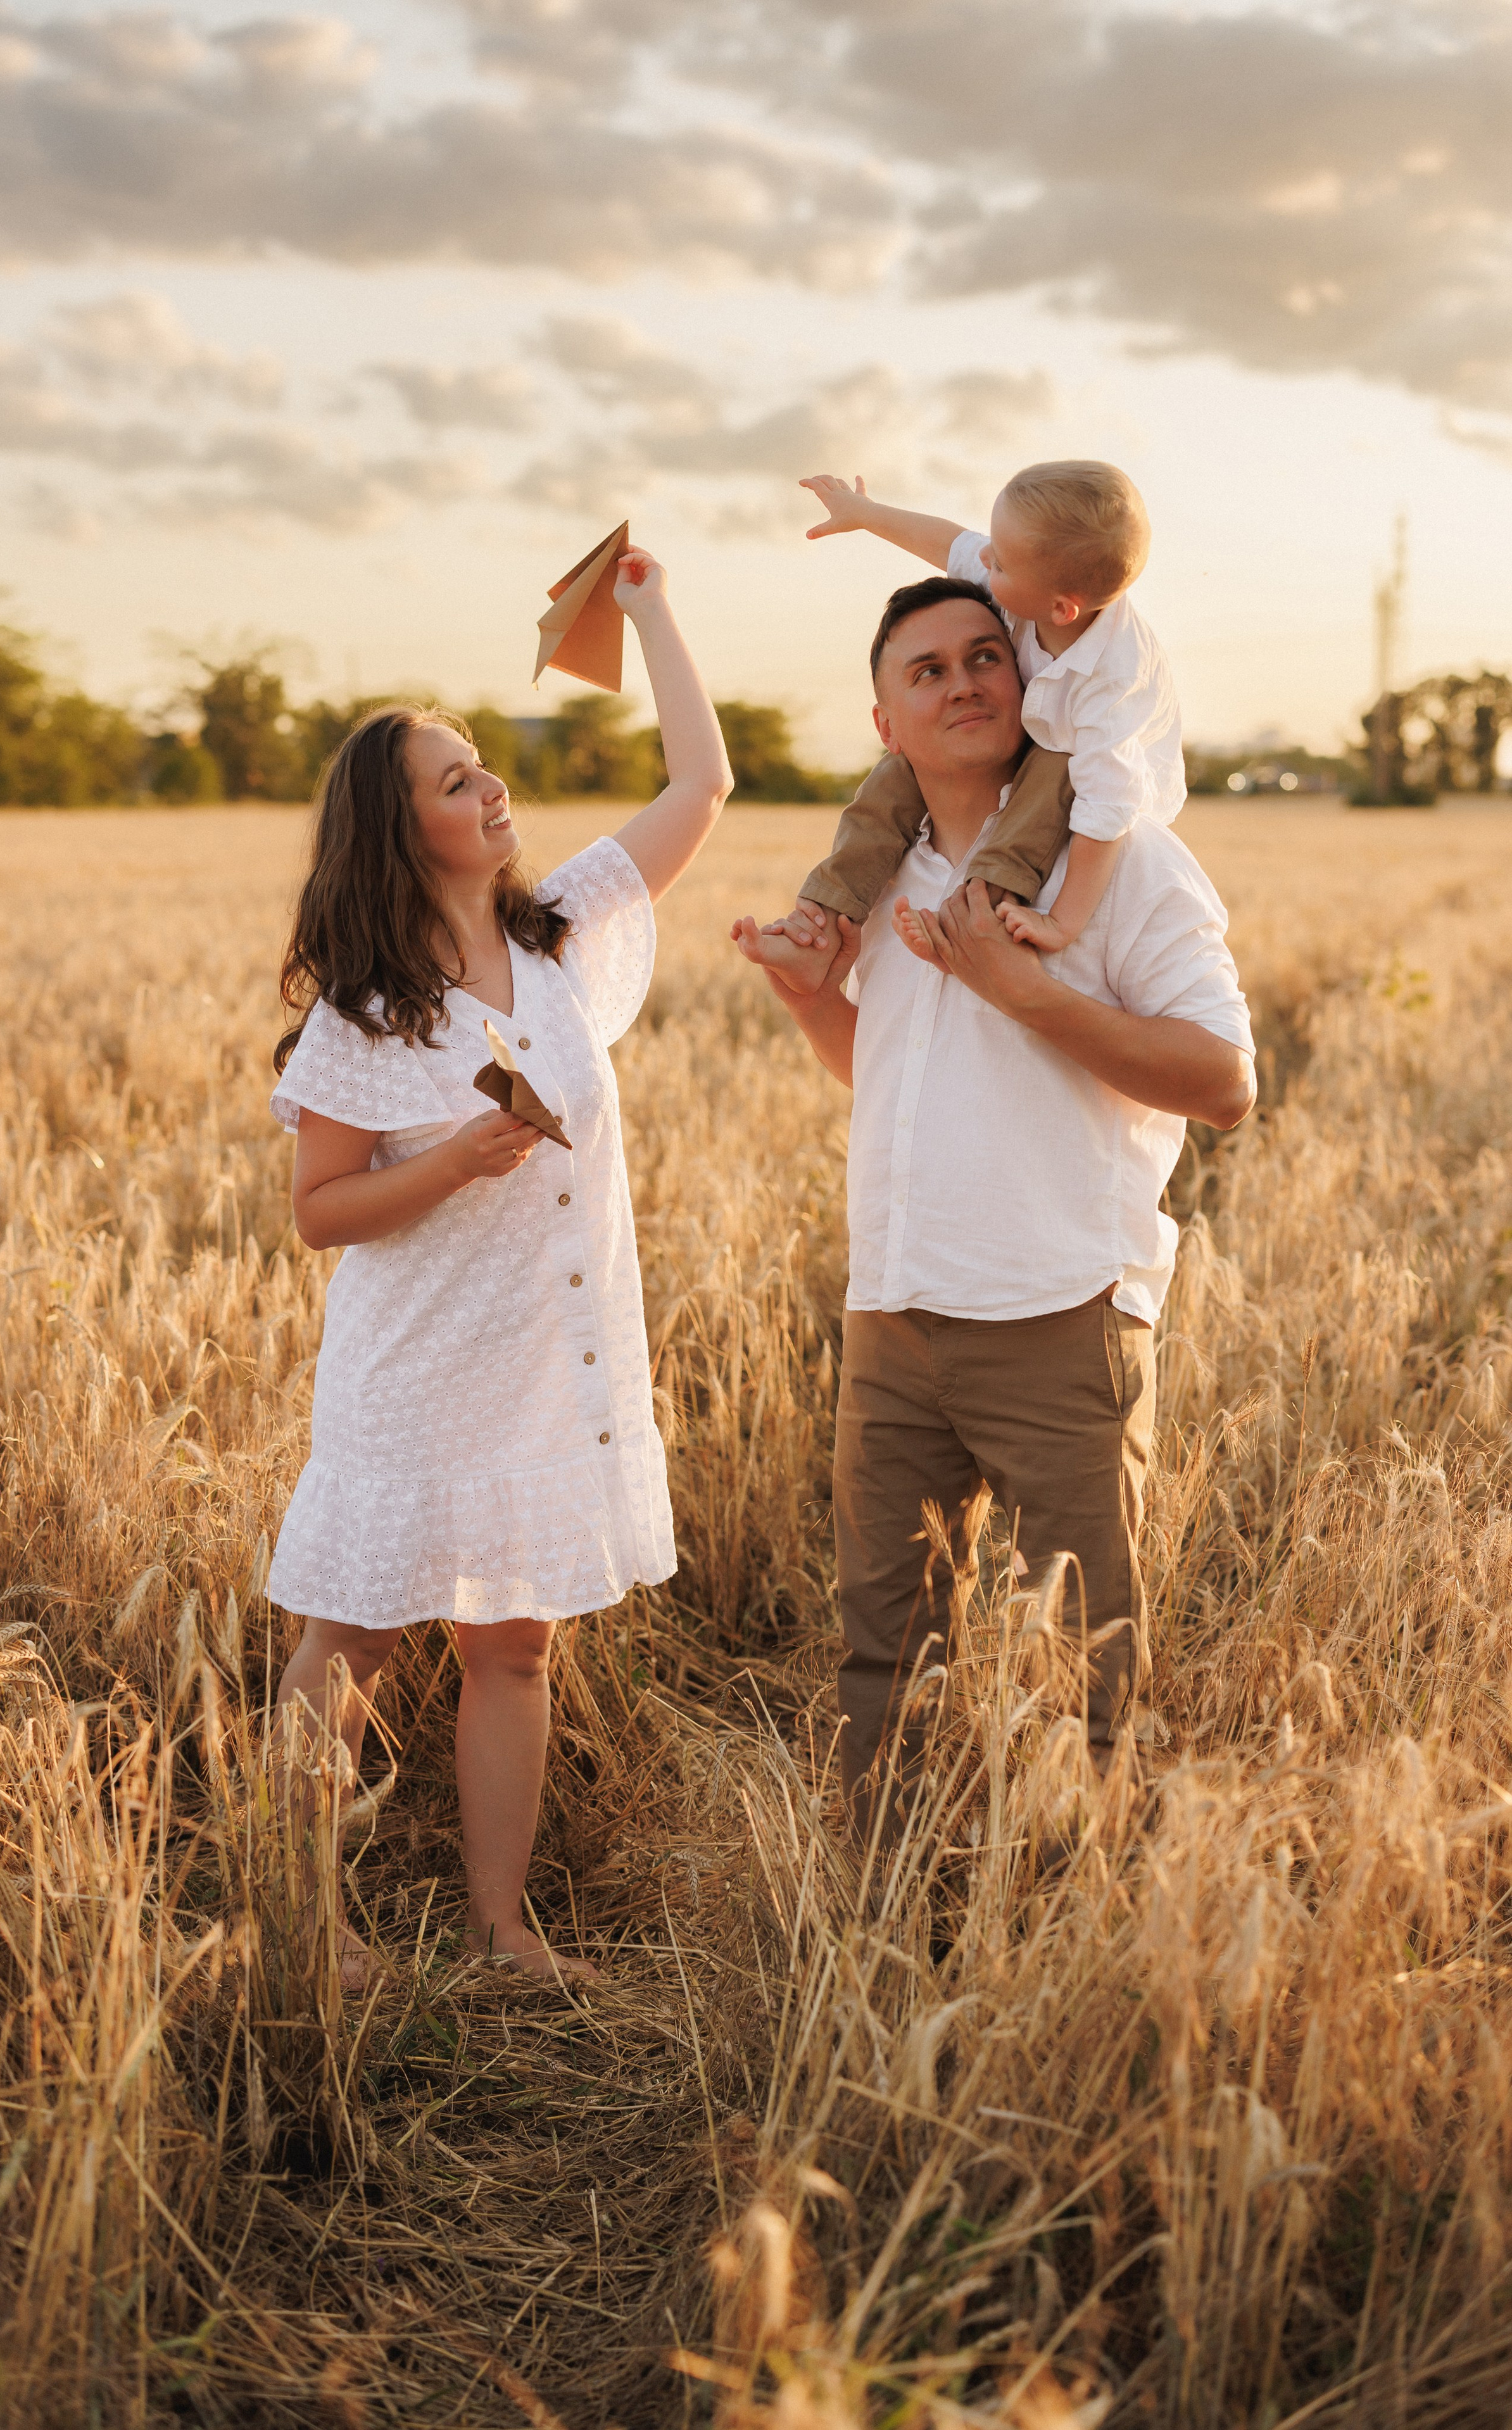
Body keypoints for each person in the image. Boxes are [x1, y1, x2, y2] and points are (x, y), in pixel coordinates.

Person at [267, 547, 731, 1984]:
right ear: (399, 829)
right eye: (454, 779)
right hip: (412, 1376)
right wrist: (454, 1161)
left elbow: (698, 787)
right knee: (348, 1649)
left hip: (545, 1364)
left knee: (513, 1652)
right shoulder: (360, 1014)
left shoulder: (563, 937)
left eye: (482, 768)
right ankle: (306, 1926)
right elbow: (319, 1213)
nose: (491, 791)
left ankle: (500, 1930)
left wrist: (649, 610)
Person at [734, 575, 1254, 1832]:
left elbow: (1221, 1081)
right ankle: (881, 1950)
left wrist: (1028, 994)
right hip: (894, 1313)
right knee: (882, 1664)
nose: (963, 681)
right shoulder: (881, 876)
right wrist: (811, 999)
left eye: (985, 655)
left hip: (1057, 1311)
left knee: (1085, 1669)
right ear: (881, 719)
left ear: (1026, 685)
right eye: (927, 668)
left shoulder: (1117, 864)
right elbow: (896, 1076)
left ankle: (1073, 1956)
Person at [747, 460, 1183, 988]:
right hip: (1022, 730)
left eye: (997, 562)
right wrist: (865, 513)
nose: (982, 560)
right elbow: (950, 543)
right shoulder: (1028, 577)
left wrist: (1061, 923)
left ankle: (972, 922)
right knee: (893, 777)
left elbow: (1107, 807)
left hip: (1090, 772)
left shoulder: (1110, 687)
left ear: (1061, 609)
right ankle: (821, 925)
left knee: (1050, 780)